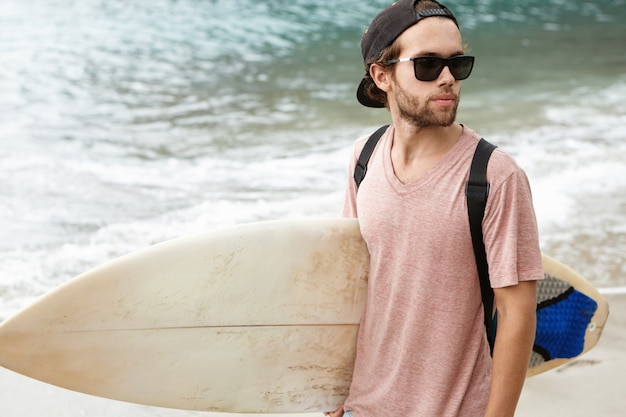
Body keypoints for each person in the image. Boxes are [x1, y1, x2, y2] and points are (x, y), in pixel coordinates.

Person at [326, 1, 544, 416]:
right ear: (382, 75)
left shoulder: (494, 176)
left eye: (457, 64)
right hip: (363, 406)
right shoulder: (364, 157)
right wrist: (333, 390)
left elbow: (516, 312)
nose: (447, 78)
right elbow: (352, 281)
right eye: (427, 65)